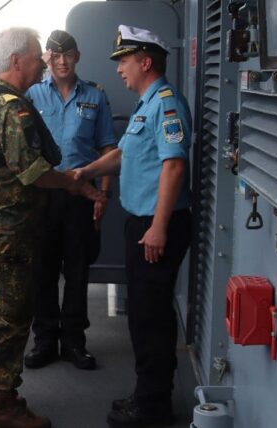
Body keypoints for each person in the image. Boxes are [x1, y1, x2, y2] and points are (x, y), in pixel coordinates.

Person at [0, 27, 106, 427]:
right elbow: (34, 173)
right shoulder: (12, 107)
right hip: (11, 227)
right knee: (12, 316)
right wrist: (75, 185)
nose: (42, 63)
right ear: (17, 61)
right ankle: (4, 405)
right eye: (36, 56)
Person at [74, 25, 192, 428]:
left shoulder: (166, 103)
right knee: (143, 314)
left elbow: (174, 165)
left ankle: (154, 406)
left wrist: (158, 227)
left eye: (124, 61)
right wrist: (86, 171)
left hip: (156, 225)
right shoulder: (146, 105)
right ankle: (148, 394)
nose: (120, 69)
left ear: (145, 61)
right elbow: (124, 155)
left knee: (150, 317)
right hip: (140, 222)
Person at [24, 29, 116, 371]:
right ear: (48, 58)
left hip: (81, 197)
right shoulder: (32, 95)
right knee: (42, 271)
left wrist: (104, 195)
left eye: (68, 55)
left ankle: (75, 341)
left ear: (77, 56)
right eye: (55, 55)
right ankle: (45, 340)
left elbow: (108, 149)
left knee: (78, 271)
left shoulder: (95, 96)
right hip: (43, 196)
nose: (61, 62)